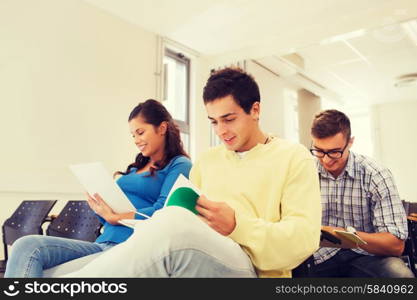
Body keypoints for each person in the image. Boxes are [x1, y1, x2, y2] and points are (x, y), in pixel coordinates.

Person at [63, 67, 322, 278]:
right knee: (54, 269)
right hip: (194, 255)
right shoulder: (208, 161)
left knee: (173, 223)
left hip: (253, 268)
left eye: (229, 119)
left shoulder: (293, 157)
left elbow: (303, 239)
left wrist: (237, 225)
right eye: (213, 121)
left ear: (255, 110)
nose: (221, 131)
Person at [4, 99, 192, 278]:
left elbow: (165, 212)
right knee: (26, 245)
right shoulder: (135, 168)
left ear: (162, 128)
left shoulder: (179, 164)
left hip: (130, 247)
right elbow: (109, 218)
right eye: (133, 135)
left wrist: (116, 217)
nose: (136, 140)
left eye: (140, 132)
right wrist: (101, 208)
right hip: (101, 243)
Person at [310, 109, 414, 277]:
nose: (326, 160)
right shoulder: (304, 171)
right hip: (318, 257)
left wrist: (344, 236)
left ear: (350, 142)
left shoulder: (376, 174)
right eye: (319, 151)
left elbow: (395, 245)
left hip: (368, 256)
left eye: (335, 152)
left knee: (401, 277)